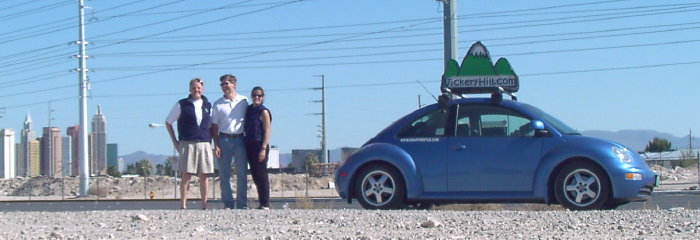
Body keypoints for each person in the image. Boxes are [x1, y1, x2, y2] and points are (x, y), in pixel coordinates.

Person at [165, 78, 214, 210]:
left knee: (204, 176)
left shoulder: (208, 105)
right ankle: (183, 205)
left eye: (198, 87)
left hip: (204, 143)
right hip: (187, 144)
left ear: (202, 89)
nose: (196, 90)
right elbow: (168, 122)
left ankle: (204, 205)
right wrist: (175, 142)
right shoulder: (182, 104)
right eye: (193, 87)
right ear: (189, 89)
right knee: (186, 175)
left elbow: (213, 126)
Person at [210, 74, 249, 209]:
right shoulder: (218, 104)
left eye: (226, 83)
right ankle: (228, 203)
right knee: (224, 175)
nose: (224, 87)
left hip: (240, 139)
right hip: (223, 139)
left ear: (234, 84)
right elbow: (214, 126)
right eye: (222, 84)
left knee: (242, 173)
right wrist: (216, 145)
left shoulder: (244, 101)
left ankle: (242, 203)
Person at [244, 86, 272, 210]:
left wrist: (263, 148)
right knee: (255, 174)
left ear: (262, 97)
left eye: (259, 95)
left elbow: (267, 130)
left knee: (262, 175)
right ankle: (261, 202)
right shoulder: (249, 109)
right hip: (249, 144)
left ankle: (265, 202)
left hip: (260, 144)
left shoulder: (264, 111)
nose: (256, 97)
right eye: (254, 95)